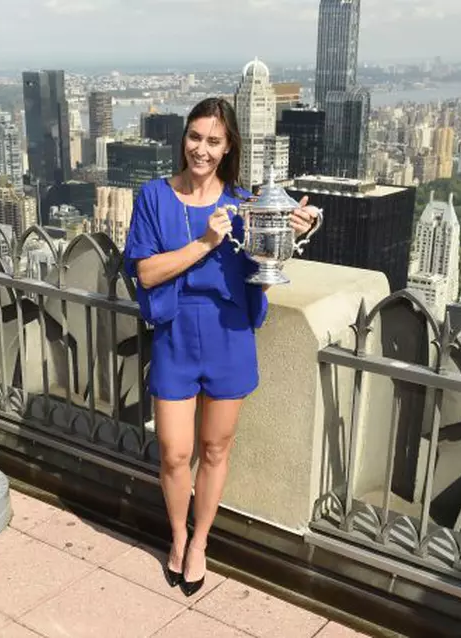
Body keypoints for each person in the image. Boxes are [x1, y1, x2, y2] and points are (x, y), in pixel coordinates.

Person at [122, 97, 317, 597]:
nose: (201, 149)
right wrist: (206, 243)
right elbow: (145, 271)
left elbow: (264, 273)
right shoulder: (154, 197)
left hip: (229, 334)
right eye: (194, 136)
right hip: (175, 333)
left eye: (213, 140)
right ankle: (176, 534)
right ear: (182, 137)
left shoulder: (247, 204)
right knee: (173, 452)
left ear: (228, 146)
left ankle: (199, 542)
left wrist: (296, 231)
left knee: (214, 449)